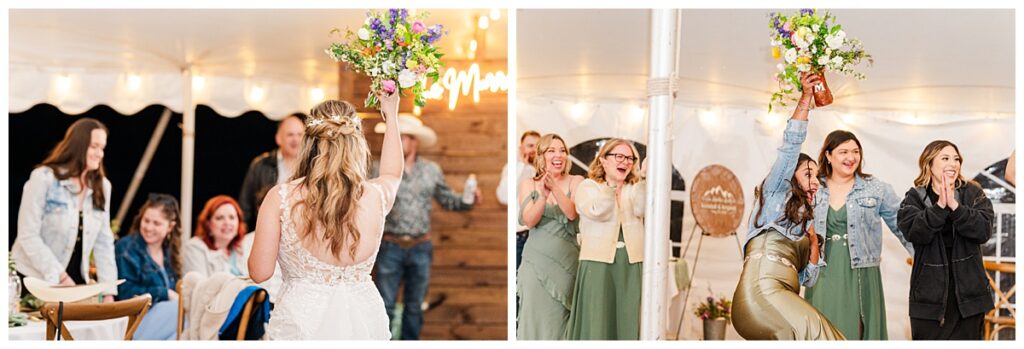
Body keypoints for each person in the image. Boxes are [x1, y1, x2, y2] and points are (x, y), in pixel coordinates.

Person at [248, 92, 403, 340]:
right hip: (363, 324)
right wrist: (391, 116)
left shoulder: (280, 198)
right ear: (356, 143)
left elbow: (259, 272)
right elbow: (393, 173)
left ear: (308, 144)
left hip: (302, 324)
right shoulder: (376, 196)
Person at [731, 73, 843, 340]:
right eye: (808, 174)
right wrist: (806, 98)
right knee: (823, 337)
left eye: (817, 176)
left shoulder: (809, 220)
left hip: (784, 296)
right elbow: (791, 144)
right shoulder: (775, 195)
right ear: (791, 175)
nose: (815, 181)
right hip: (761, 291)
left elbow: (809, 279)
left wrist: (815, 243)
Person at [369, 113, 481, 340]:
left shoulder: (431, 170)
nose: (397, 142)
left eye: (403, 137)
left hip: (421, 247)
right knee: (385, 306)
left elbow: (447, 199)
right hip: (389, 246)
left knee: (414, 307)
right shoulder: (375, 169)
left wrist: (468, 200)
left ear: (414, 141)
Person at [804, 130, 914, 340]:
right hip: (822, 269)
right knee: (822, 328)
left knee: (859, 330)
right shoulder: (812, 187)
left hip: (862, 270)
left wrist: (923, 259)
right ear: (828, 155)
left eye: (855, 151)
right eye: (843, 151)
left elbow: (904, 226)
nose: (851, 157)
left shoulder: (876, 188)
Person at [12, 118, 117, 303]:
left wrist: (109, 292)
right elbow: (27, 235)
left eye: (103, 148)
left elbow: (104, 242)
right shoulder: (43, 178)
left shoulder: (103, 186)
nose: (100, 153)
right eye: (94, 146)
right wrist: (60, 275)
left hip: (74, 285)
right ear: (78, 145)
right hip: (34, 281)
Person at [897, 140, 994, 340]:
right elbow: (915, 232)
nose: (953, 163)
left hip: (969, 297)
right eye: (945, 158)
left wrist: (956, 208)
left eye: (956, 159)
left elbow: (983, 230)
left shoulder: (973, 192)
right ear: (929, 164)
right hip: (929, 298)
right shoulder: (915, 197)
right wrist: (940, 206)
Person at [565, 138, 646, 340]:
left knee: (629, 317)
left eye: (630, 158)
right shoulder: (588, 186)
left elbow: (642, 207)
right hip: (597, 263)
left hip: (631, 263)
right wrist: (611, 187)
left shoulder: (634, 187)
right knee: (598, 320)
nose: (625, 162)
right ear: (603, 160)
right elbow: (597, 211)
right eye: (619, 156)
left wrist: (644, 180)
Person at [516, 133, 583, 340]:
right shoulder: (528, 183)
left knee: (561, 322)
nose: (559, 155)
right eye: (552, 150)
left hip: (566, 265)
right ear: (541, 156)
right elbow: (529, 220)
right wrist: (543, 197)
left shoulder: (576, 181)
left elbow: (572, 213)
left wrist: (554, 187)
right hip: (535, 264)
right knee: (533, 319)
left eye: (563, 151)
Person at [115, 193, 182, 340]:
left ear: (170, 226)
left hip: (163, 322)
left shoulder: (169, 252)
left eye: (156, 223)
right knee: (182, 311)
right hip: (136, 321)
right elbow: (125, 293)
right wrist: (165, 293)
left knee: (182, 333)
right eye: (146, 221)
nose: (149, 227)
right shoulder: (126, 248)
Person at [239, 113, 306, 230]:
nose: (295, 139)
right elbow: (244, 207)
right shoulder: (260, 165)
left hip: (301, 232)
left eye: (300, 134)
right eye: (290, 134)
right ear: (278, 138)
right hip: (266, 230)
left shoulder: (311, 166)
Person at [183, 195, 247, 277]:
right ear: (208, 224)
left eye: (232, 217)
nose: (227, 223)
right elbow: (199, 287)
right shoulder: (194, 248)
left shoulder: (242, 248)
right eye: (220, 218)